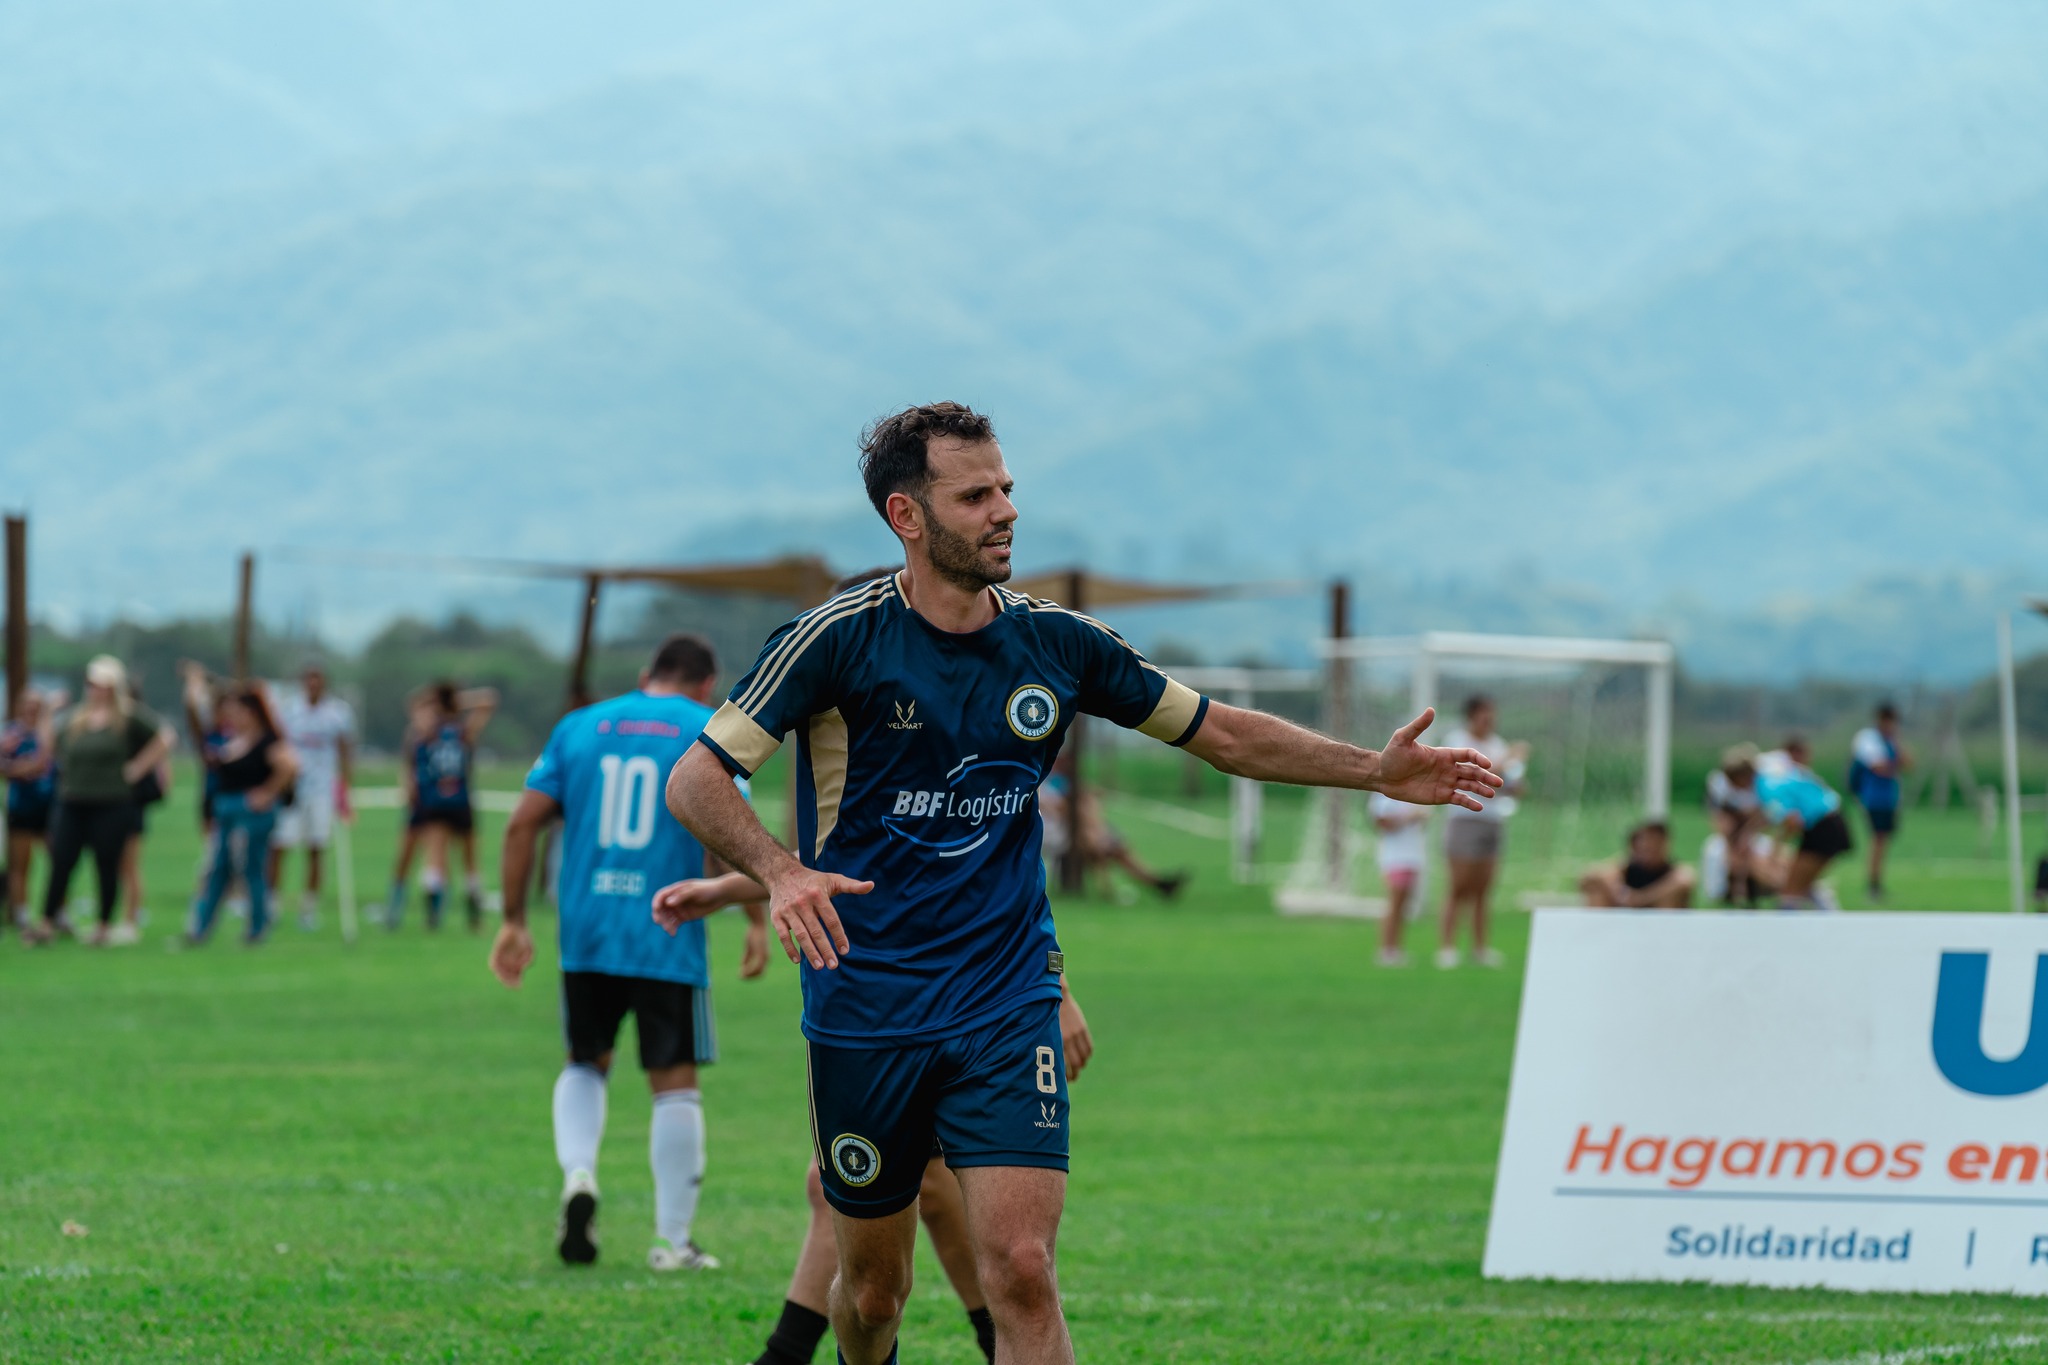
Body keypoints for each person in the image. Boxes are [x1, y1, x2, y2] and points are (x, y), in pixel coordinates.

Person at [661, 401, 1500, 1365]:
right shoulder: (835, 638)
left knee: (1021, 1267)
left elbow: (1222, 732)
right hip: (867, 1002)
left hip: (1003, 999)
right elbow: (698, 776)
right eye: (974, 495)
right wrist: (775, 873)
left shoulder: (1060, 644)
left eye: (1008, 488)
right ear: (906, 515)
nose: (1005, 510)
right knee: (877, 1294)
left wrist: (1373, 770)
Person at [650, 864, 1095, 1365]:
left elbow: (1009, 850)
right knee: (877, 1266)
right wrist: (731, 888)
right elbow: (835, 853)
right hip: (878, 1017)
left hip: (986, 1011)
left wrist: (1057, 985)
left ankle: (788, 1353)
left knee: (1018, 1263)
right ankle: (987, 1341)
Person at [487, 635, 769, 1271]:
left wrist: (511, 920)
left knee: (585, 1061)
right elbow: (735, 835)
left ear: (647, 674)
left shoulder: (579, 726)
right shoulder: (708, 728)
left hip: (586, 930)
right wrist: (754, 917)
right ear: (706, 684)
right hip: (665, 926)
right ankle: (673, 1241)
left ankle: (580, 1175)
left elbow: (521, 822)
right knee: (674, 1084)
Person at [27, 656, 176, 946]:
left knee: (107, 863)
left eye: (101, 684)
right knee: (62, 860)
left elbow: (166, 736)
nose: (95, 690)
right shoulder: (77, 718)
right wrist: (46, 714)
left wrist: (137, 768)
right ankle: (46, 921)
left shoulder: (128, 717)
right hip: (73, 799)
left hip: (113, 801)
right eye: (92, 684)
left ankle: (103, 925)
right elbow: (47, 747)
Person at [187, 685, 299, 945]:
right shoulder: (230, 739)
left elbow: (290, 766)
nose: (231, 716)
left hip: (252, 810)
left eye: (237, 711)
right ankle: (201, 928)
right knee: (218, 868)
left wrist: (268, 792)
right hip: (225, 808)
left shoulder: (267, 739)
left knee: (251, 868)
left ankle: (257, 927)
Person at [388, 682, 497, 930]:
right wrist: (456, 702)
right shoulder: (463, 731)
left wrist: (445, 700)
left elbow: (414, 706)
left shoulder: (428, 730)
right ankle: (472, 912)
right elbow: (488, 700)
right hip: (459, 800)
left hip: (435, 800)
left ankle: (434, 912)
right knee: (469, 861)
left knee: (435, 857)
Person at [1435, 695, 1526, 969]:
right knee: (1459, 886)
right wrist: (1510, 758)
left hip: (1492, 821)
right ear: (1472, 716)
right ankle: (1448, 948)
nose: (1490, 721)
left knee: (1483, 890)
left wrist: (1515, 785)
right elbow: (1477, 773)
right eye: (1485, 716)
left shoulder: (1497, 743)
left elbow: (1504, 781)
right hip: (1465, 820)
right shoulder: (1458, 740)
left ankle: (1480, 948)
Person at [271, 662, 356, 931]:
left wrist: (345, 789)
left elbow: (345, 752)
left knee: (316, 848)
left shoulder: (338, 714)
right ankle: (272, 903)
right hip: (292, 789)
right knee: (280, 846)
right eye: (308, 679)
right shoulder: (289, 711)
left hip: (322, 789)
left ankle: (309, 907)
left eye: (317, 679)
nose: (313, 684)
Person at [1754, 735, 1852, 910]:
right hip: (1833, 822)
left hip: (1823, 827)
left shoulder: (1766, 784)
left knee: (1789, 891)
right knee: (1802, 886)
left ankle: (1798, 930)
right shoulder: (1787, 774)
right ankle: (1828, 918)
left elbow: (1793, 821)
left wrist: (1776, 849)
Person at [3, 689, 58, 933]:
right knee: (20, 864)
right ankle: (22, 915)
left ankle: (58, 912)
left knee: (59, 862)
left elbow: (43, 760)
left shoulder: (49, 731)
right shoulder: (10, 734)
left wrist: (25, 767)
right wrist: (23, 768)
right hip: (22, 806)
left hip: (49, 805)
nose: (32, 710)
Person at [1848, 703, 1909, 901]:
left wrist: (1897, 747)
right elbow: (1878, 767)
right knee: (1878, 841)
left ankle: (1876, 883)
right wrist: (1895, 764)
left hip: (1889, 798)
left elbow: (1909, 763)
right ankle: (1873, 884)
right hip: (1874, 798)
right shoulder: (1868, 739)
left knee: (1883, 842)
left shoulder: (1890, 741)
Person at [1579, 821, 1696, 909]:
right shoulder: (1625, 867)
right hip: (1621, 924)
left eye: (1654, 846)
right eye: (1645, 846)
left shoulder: (1672, 871)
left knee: (1669, 900)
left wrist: (1642, 898)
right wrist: (1619, 892)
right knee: (1597, 891)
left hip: (1659, 926)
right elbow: (1590, 876)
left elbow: (1685, 880)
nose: (1649, 850)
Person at [1371, 791, 1426, 966]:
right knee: (1394, 903)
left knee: (1403, 905)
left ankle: (1396, 948)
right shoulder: (1383, 796)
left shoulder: (1413, 793)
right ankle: (1386, 949)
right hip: (1394, 856)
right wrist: (1409, 817)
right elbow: (1381, 822)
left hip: (1412, 854)